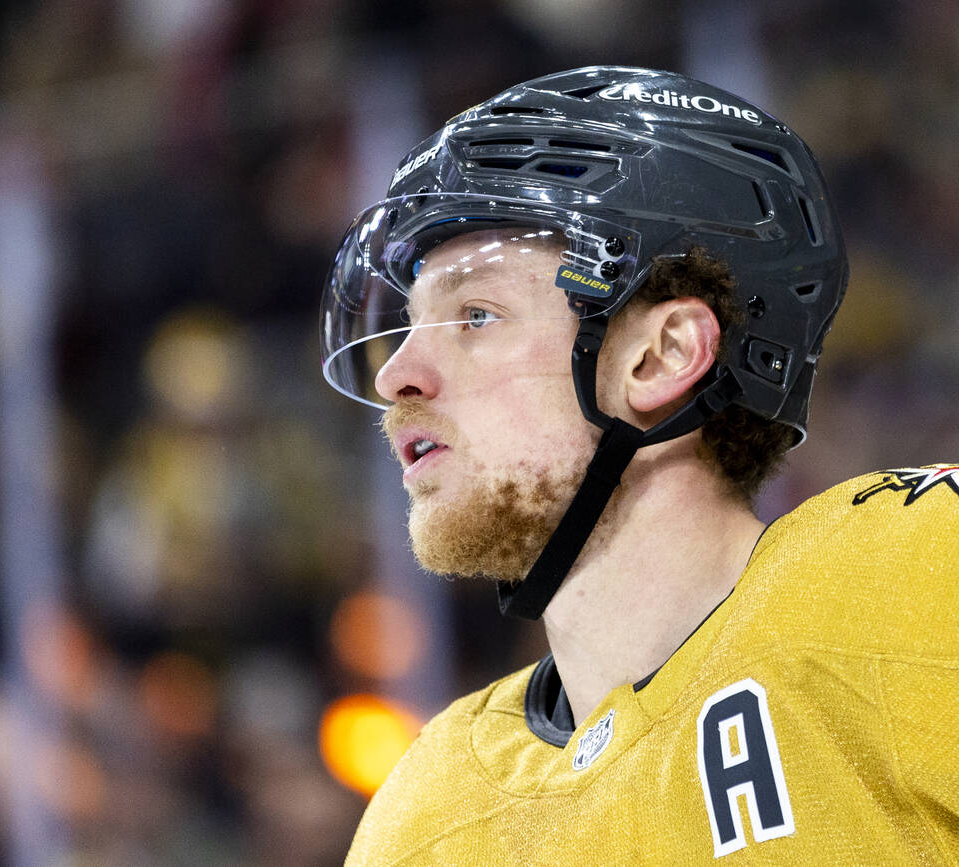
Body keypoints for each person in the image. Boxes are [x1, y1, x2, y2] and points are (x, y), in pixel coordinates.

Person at [320, 67, 959, 863]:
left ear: (663, 356)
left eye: (475, 315)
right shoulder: (425, 819)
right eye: (409, 326)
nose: (396, 375)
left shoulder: (912, 579)